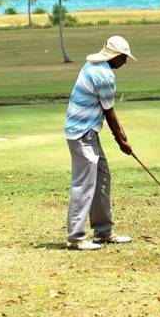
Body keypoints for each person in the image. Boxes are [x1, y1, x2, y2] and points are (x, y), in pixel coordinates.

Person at [64, 36, 136, 251]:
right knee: (84, 183)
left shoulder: (92, 65)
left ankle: (103, 232)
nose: (125, 62)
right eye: (123, 57)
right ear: (115, 56)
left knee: (101, 177)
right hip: (81, 133)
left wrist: (121, 137)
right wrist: (121, 140)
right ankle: (75, 237)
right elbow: (109, 112)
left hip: (87, 133)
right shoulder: (104, 76)